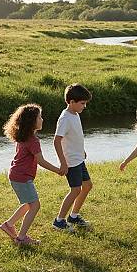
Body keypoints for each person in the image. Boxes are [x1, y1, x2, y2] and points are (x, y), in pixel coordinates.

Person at [0, 103, 62, 245]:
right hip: (21, 177)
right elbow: (41, 161)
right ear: (31, 121)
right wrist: (58, 170)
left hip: (16, 175)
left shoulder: (23, 136)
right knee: (35, 205)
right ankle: (21, 238)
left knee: (29, 203)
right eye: (39, 117)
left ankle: (8, 225)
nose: (42, 120)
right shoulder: (33, 140)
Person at [52, 84, 93, 231]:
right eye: (82, 103)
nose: (85, 106)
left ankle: (73, 216)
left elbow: (75, 136)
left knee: (87, 186)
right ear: (71, 102)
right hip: (71, 162)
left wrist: (82, 150)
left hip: (79, 159)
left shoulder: (75, 114)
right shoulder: (65, 118)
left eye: (85, 103)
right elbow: (57, 141)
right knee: (75, 190)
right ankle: (59, 221)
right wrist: (63, 163)